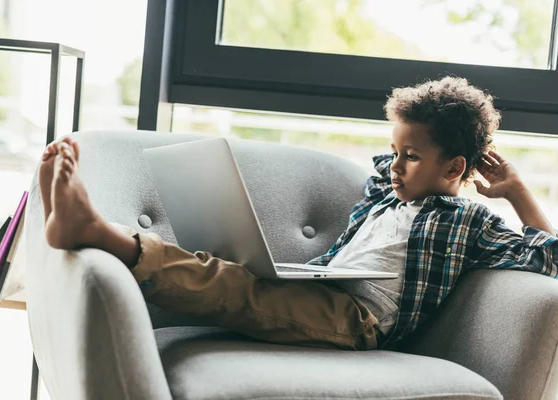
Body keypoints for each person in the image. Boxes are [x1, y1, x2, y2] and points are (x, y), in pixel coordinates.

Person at [39, 76, 558, 351]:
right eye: (395, 151)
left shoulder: (467, 222)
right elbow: (389, 167)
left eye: (412, 156)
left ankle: (101, 234)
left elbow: (549, 257)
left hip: (355, 322)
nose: (396, 165)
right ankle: (93, 228)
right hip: (323, 289)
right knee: (233, 271)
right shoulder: (387, 194)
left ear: (455, 167)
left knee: (235, 290)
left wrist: (516, 193)